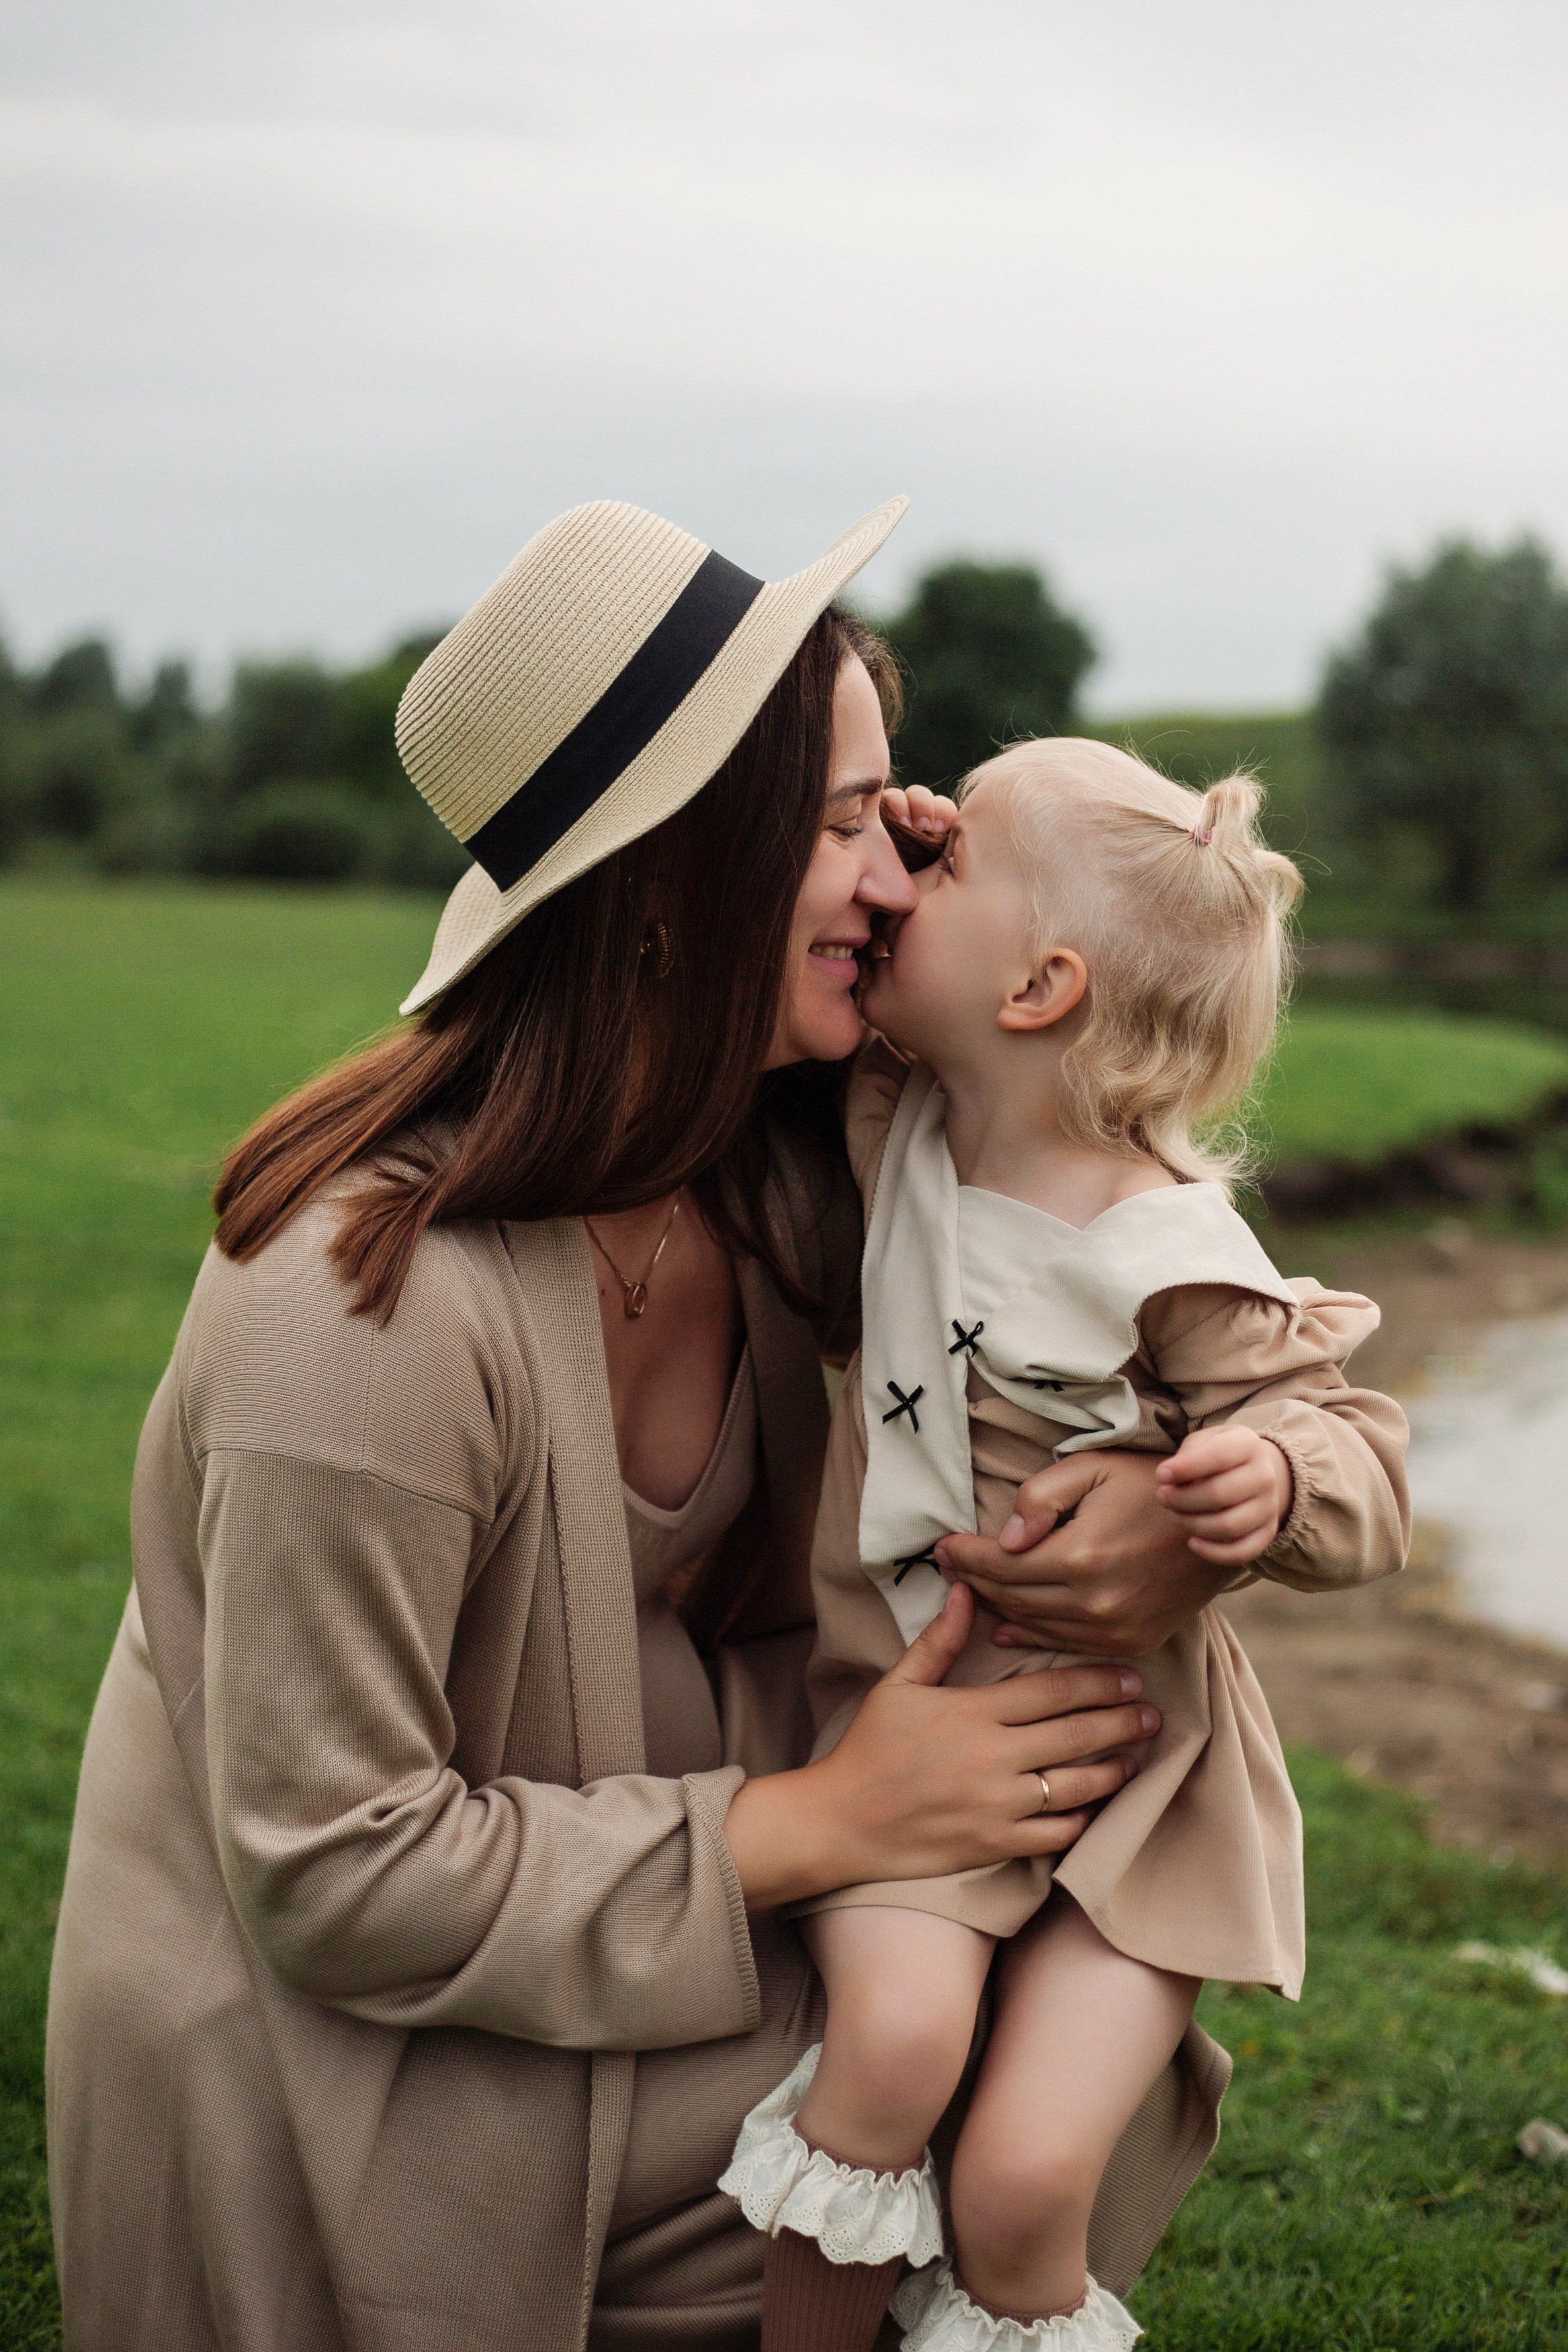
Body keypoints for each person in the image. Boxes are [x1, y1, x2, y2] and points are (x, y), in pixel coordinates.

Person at [44, 499, 1330, 2352]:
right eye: (845, 821)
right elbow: (338, 1876)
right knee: (924, 2109)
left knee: (1023, 2068)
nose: (900, 869)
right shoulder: (351, 1312)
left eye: (909, 820)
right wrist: (830, 1816)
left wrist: (1151, 1525)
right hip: (366, 2054)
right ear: (662, 875)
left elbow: (1072, 1239)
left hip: (648, 1907)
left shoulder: (782, 1174)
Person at [718, 741, 1410, 2351]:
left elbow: (1362, 1458)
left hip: (1140, 1786)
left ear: (1037, 986)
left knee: (1029, 2181)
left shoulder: (1174, 1247)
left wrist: (1260, 1478)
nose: (896, 876)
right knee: (887, 2057)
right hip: (924, 1730)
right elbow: (833, 1002)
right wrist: (903, 834)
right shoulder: (898, 1123)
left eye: (941, 866)